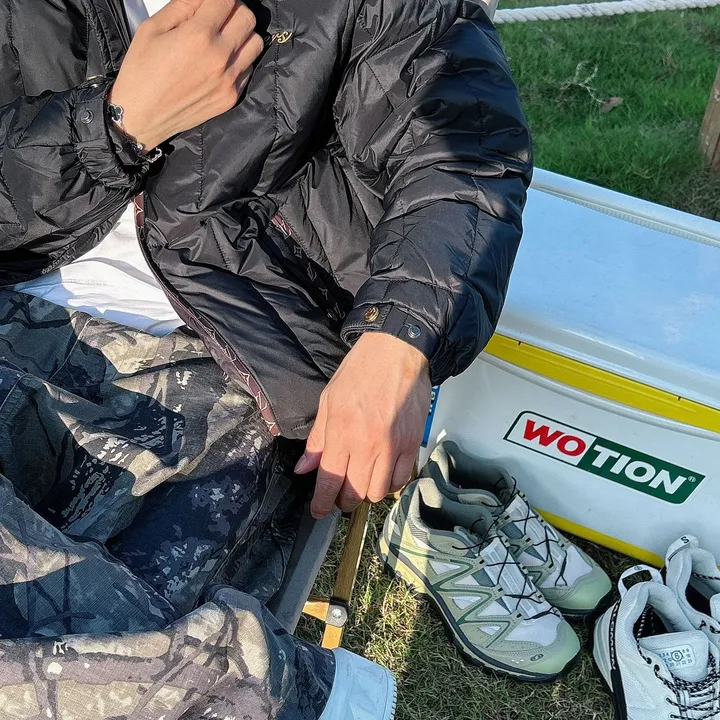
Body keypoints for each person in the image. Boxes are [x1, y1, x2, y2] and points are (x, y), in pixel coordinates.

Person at [0, 0, 531, 717]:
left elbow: (462, 154)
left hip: (228, 353)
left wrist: (396, 342)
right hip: (15, 309)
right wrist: (113, 127)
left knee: (110, 606)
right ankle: (271, 694)